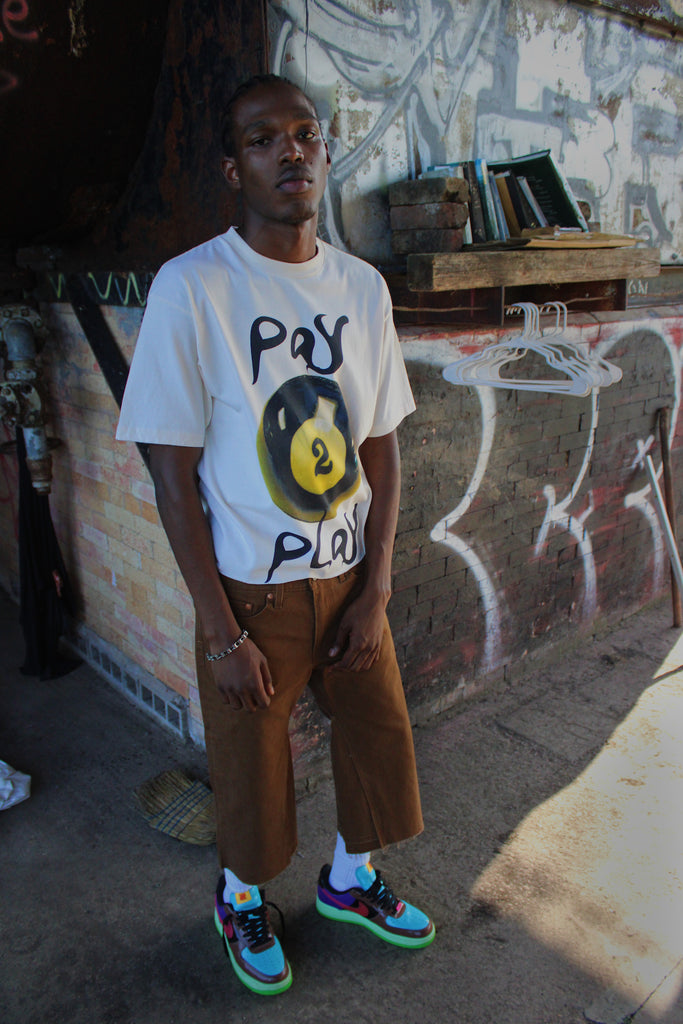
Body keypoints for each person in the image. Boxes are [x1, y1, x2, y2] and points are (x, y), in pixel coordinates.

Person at [116, 73, 434, 996]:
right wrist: (221, 633)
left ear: (324, 153)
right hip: (251, 594)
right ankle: (241, 898)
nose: (290, 150)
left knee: (377, 736)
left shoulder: (361, 289)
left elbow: (381, 447)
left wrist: (376, 585)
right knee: (251, 766)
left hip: (348, 579)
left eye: (305, 133)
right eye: (263, 139)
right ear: (232, 169)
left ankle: (349, 881)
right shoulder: (194, 288)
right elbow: (171, 476)